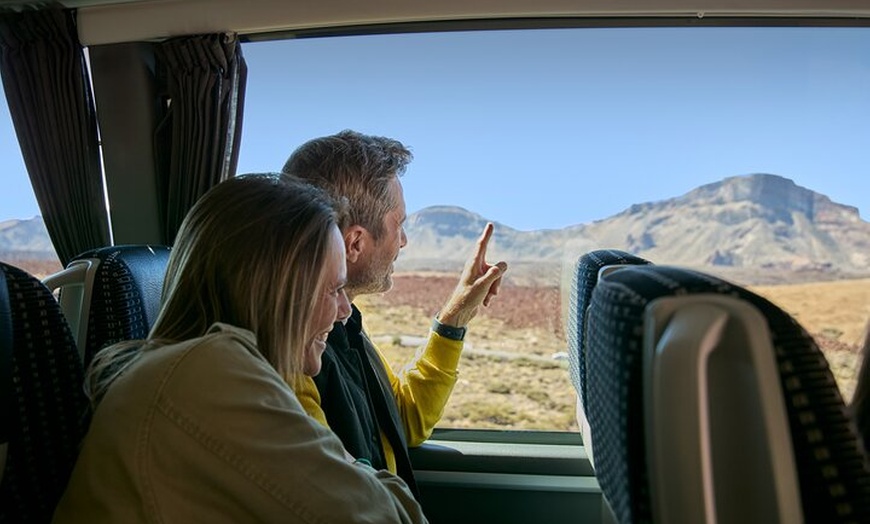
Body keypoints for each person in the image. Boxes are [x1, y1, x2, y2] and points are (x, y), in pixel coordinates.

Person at [52, 174, 427, 523]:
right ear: (276, 294)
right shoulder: (210, 377)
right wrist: (356, 467)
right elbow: (391, 516)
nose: (344, 310)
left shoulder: (201, 371)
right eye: (332, 290)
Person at [282, 130, 508, 494]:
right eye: (398, 224)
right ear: (355, 243)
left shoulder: (346, 323)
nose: (403, 241)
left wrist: (453, 321)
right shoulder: (296, 359)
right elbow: (343, 500)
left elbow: (400, 420)